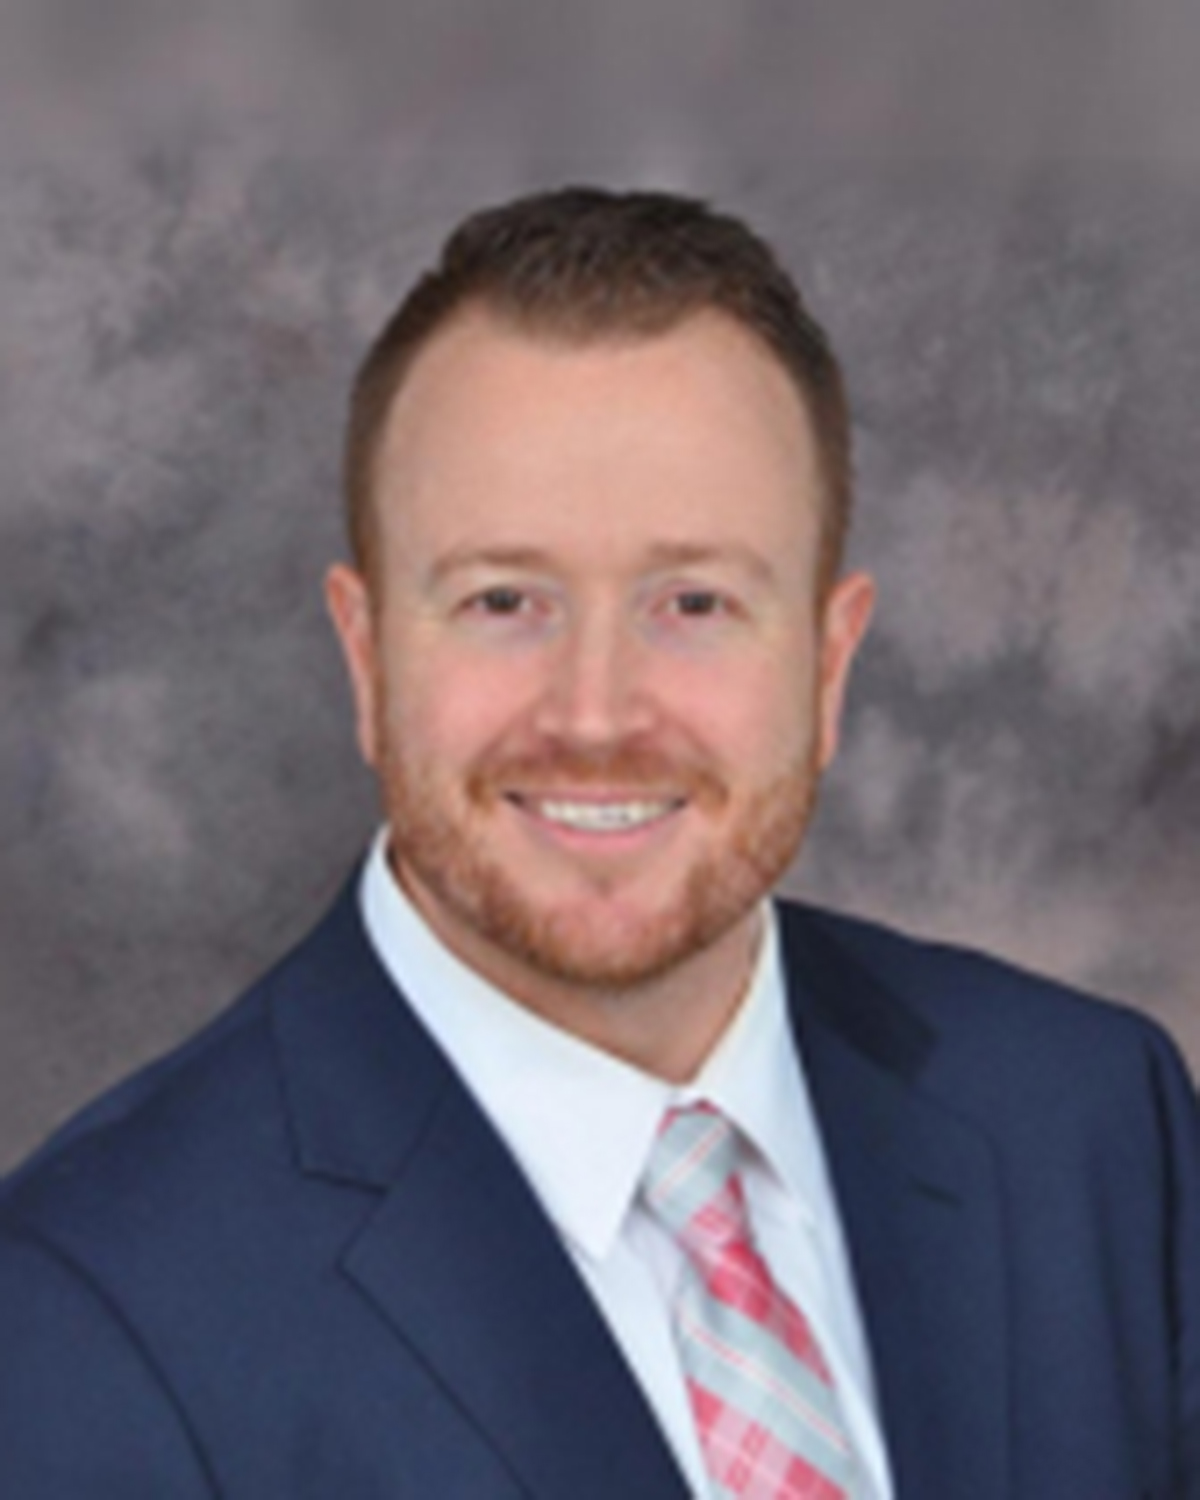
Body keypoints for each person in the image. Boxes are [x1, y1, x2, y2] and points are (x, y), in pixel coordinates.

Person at [1, 187, 1197, 1500]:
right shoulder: (84, 1313)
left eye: (695, 602)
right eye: (504, 600)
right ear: (367, 656)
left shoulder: (1094, 1124)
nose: (595, 715)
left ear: (828, 661)